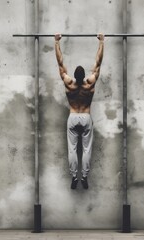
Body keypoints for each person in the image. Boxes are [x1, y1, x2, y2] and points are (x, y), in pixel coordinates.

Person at [54, 33, 104, 190]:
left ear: (74, 76)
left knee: (73, 149)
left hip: (73, 116)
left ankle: (75, 176)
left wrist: (56, 42)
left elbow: (60, 63)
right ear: (85, 76)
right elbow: (98, 62)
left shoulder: (69, 83)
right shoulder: (90, 83)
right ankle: (84, 176)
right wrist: (102, 42)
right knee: (87, 148)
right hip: (86, 117)